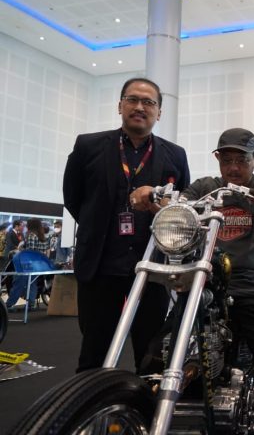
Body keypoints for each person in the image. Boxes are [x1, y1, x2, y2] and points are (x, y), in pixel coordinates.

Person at [133, 127, 254, 435]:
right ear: (218, 160)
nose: (233, 167)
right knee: (155, 359)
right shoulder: (205, 187)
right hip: (204, 287)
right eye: (226, 160)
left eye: (242, 160)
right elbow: (177, 206)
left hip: (252, 288)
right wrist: (153, 197)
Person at [63, 77, 190, 373]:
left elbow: (180, 204)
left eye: (148, 102)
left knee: (151, 355)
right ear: (120, 105)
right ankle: (92, 401)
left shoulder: (175, 154)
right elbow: (73, 197)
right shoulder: (88, 146)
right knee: (94, 352)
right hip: (100, 266)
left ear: (159, 112)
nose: (139, 107)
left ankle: (143, 403)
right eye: (132, 99)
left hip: (152, 269)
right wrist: (97, 225)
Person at [5, 218, 50, 310]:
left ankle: (9, 304)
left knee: (18, 283)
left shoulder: (31, 235)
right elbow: (46, 252)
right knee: (32, 284)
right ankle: (31, 304)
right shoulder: (43, 237)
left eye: (27, 224)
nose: (25, 226)